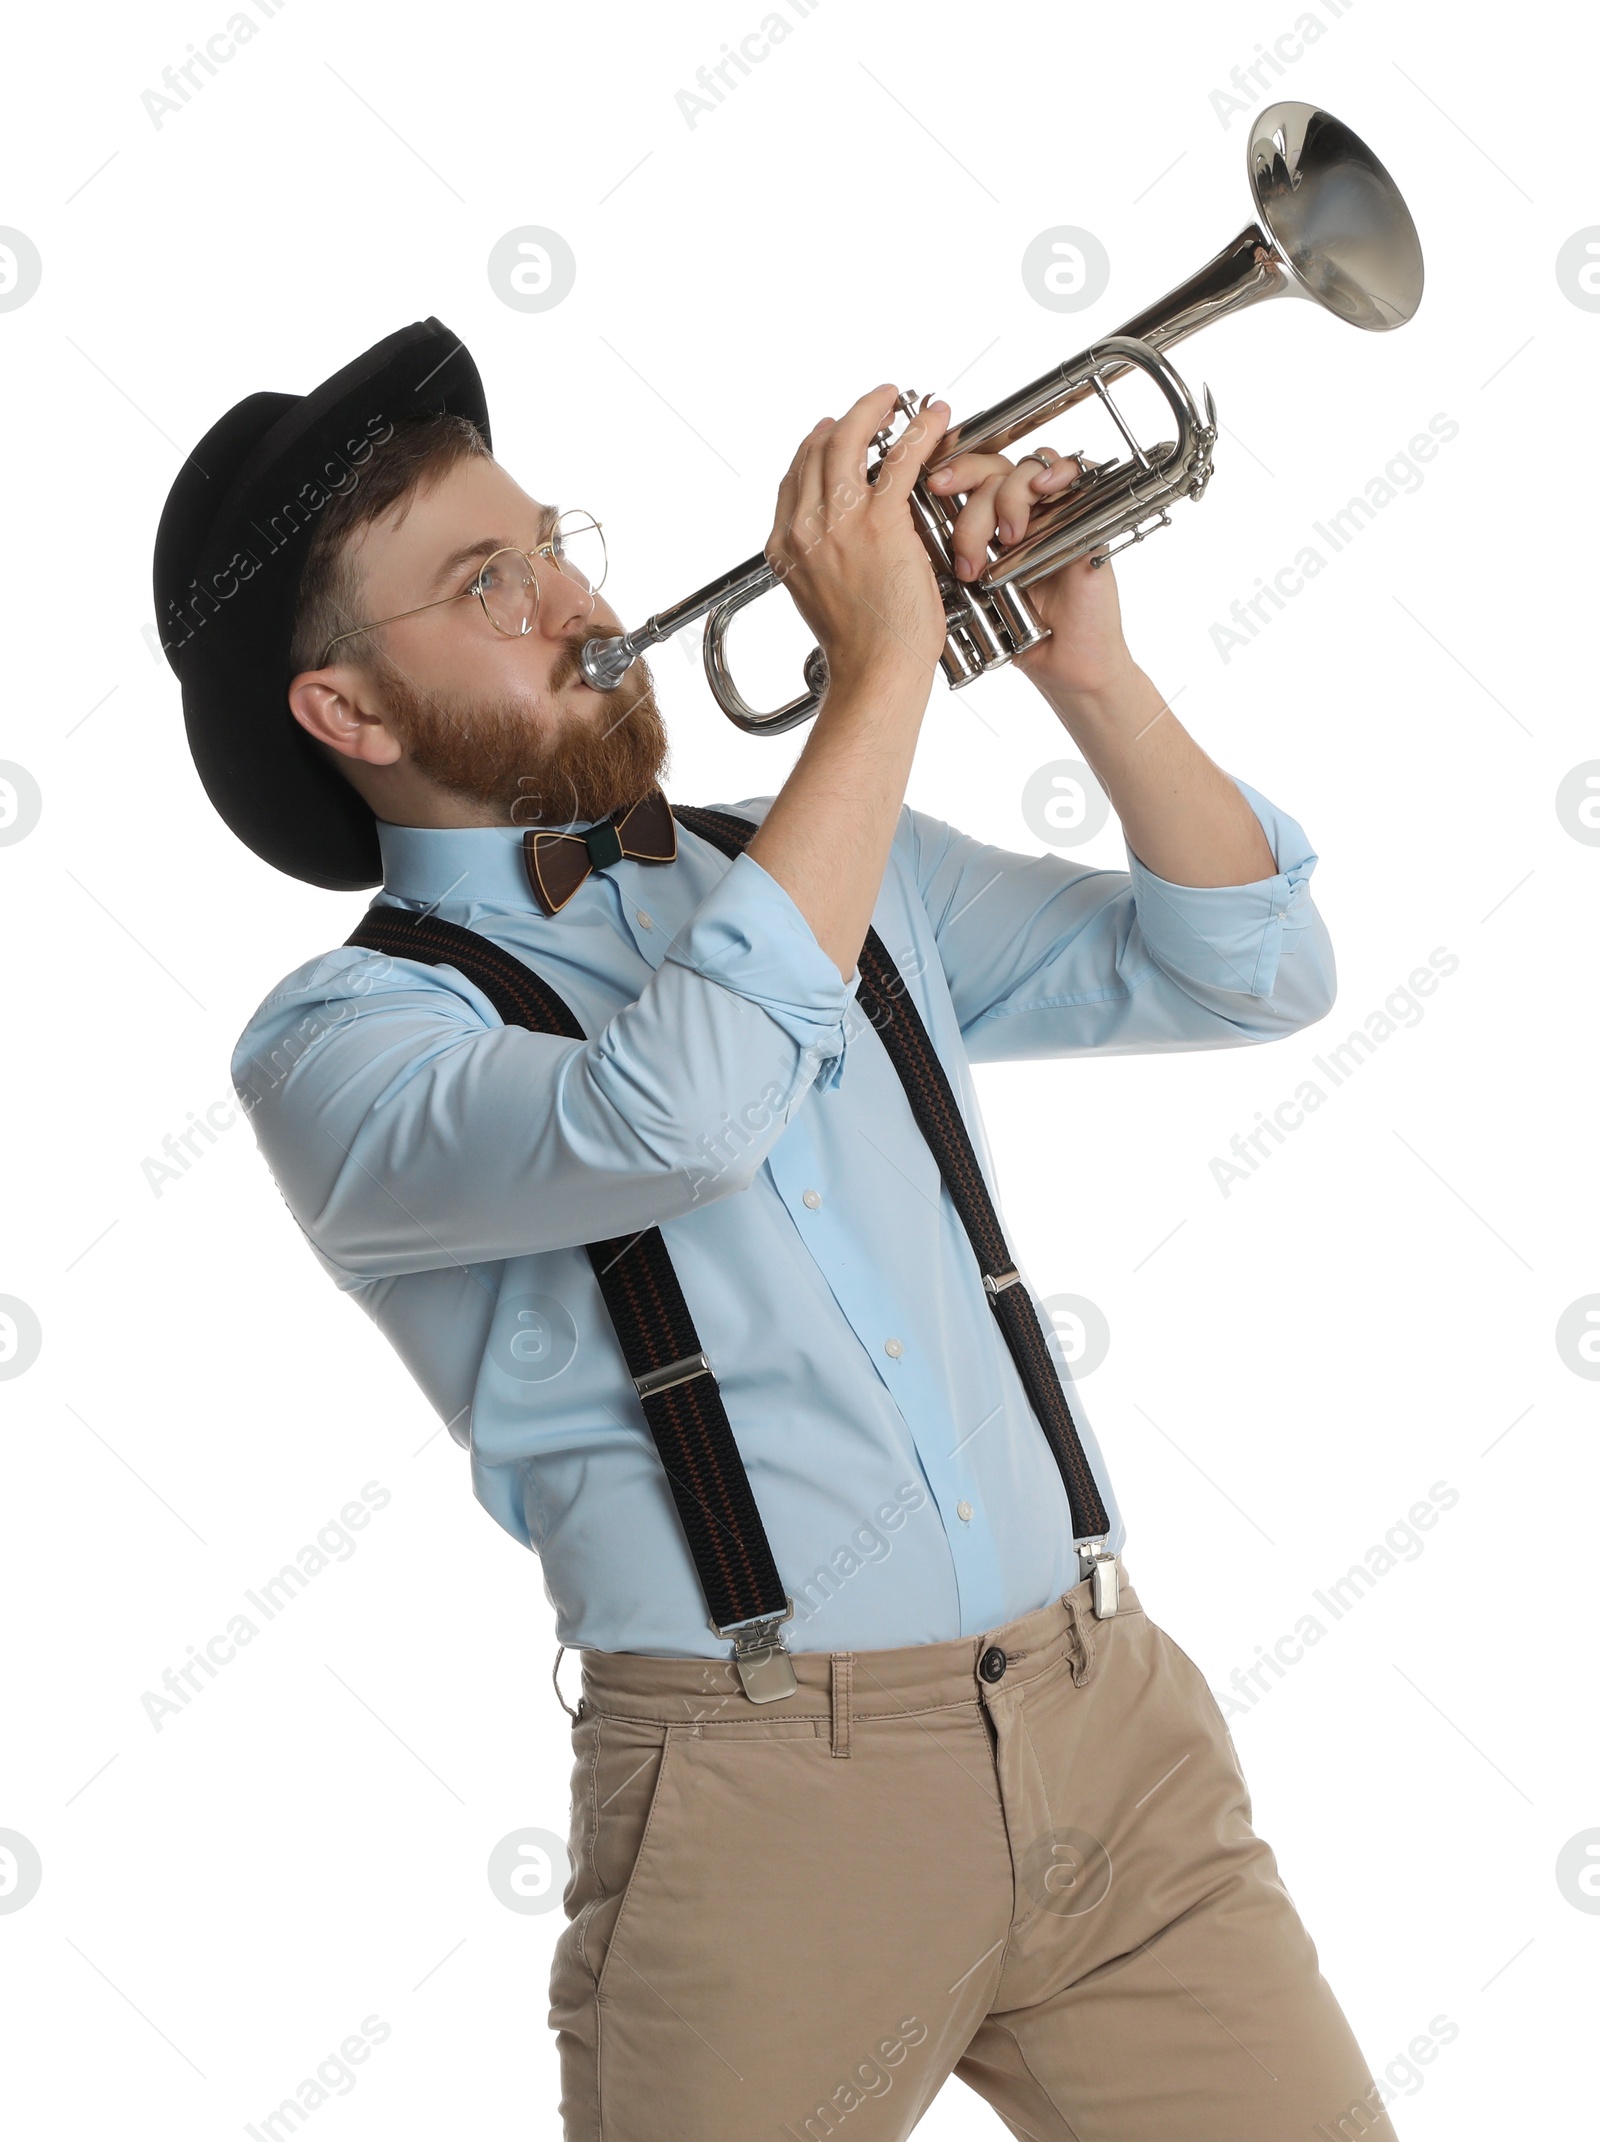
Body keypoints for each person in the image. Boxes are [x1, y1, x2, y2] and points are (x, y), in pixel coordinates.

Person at [157, 319, 1395, 2142]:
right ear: (348, 711)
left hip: (1108, 1725)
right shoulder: (341, 1046)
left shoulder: (812, 857)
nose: (574, 598)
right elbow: (681, 1107)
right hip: (759, 1797)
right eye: (483, 581)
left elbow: (1252, 969)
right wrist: (884, 671)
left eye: (552, 537)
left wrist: (1092, 678)